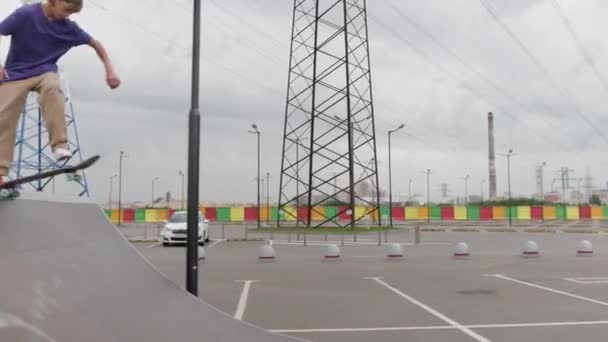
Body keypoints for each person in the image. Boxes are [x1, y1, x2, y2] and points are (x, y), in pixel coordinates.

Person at [0, 0, 120, 185]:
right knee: (4, 116)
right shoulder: (26, 14)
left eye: (71, 13)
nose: (67, 16)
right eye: (65, 10)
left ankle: (60, 145)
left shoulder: (69, 28)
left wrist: (110, 70)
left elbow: (96, 44)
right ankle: (0, 170)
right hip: (14, 74)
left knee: (52, 88)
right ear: (53, 2)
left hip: (44, 72)